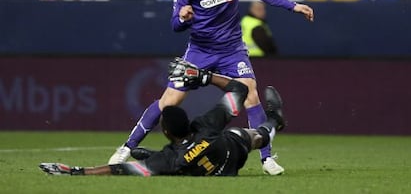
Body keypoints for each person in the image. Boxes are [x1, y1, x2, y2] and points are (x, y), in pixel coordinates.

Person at [108, 0, 313, 175]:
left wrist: (293, 6)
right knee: (169, 100)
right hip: (200, 51)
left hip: (232, 50)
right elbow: (175, 25)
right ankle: (126, 148)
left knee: (251, 93)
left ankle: (267, 159)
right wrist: (184, 17)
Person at [39, 58, 286, 177]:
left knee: (159, 165)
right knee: (251, 135)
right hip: (231, 151)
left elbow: (122, 169)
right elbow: (240, 90)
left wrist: (77, 172)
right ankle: (274, 120)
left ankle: (148, 153)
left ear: (166, 132)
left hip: (217, 172)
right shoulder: (205, 124)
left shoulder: (170, 160)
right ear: (188, 122)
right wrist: (205, 78)